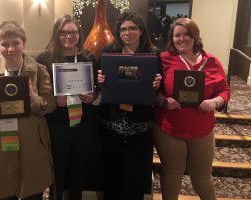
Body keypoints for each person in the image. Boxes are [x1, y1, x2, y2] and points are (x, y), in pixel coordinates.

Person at [0, 21, 56, 200]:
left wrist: (35, 99)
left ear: (24, 43)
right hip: (0, 141)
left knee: (32, 191)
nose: (11, 49)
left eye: (16, 43)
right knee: (2, 189)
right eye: (5, 44)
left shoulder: (39, 71)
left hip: (32, 141)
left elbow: (50, 103)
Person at [154, 18, 230, 200]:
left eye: (187, 34)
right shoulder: (163, 59)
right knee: (172, 173)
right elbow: (151, 90)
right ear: (171, 38)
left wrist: (215, 102)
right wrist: (163, 101)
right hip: (170, 128)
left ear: (195, 36)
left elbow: (225, 91)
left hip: (202, 128)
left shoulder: (211, 61)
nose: (182, 39)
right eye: (177, 35)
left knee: (202, 176)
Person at [97, 11, 162, 200]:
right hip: (112, 124)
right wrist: (100, 79)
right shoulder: (109, 51)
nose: (127, 32)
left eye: (132, 28)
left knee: (135, 176)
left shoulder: (153, 54)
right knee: (111, 174)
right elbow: (99, 84)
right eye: (123, 29)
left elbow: (158, 90)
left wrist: (158, 85)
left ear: (141, 30)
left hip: (140, 126)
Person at [36, 14, 97, 200]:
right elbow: (39, 93)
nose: (68, 37)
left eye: (73, 33)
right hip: (57, 124)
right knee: (58, 169)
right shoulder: (44, 58)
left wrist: (92, 95)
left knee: (79, 168)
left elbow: (95, 89)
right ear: (56, 34)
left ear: (79, 34)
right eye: (63, 33)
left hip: (83, 123)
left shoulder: (88, 57)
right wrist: (55, 100)